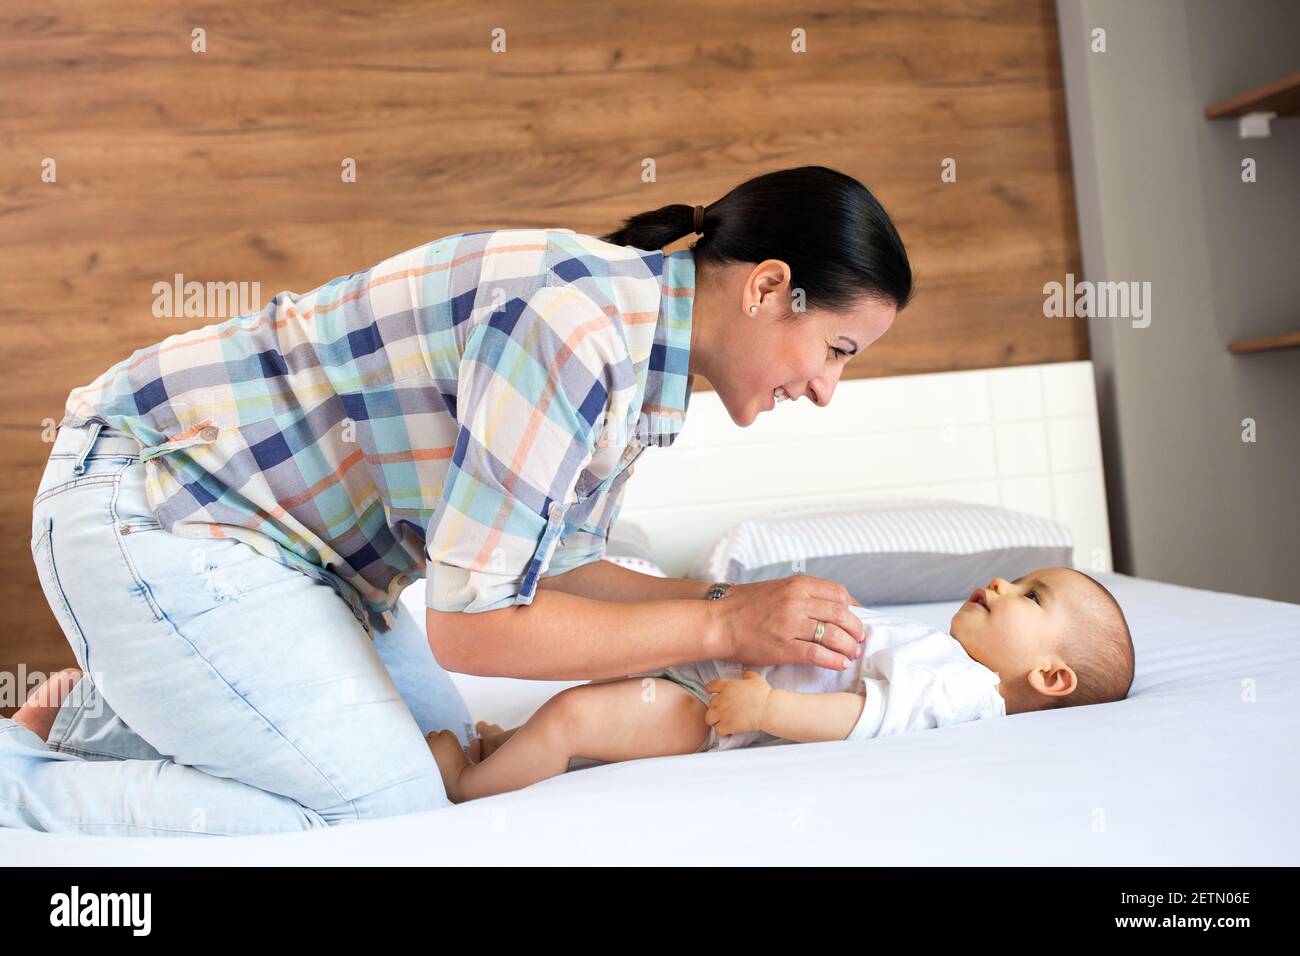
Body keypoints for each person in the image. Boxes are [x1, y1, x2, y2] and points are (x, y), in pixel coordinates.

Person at [2, 165, 913, 835]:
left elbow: (557, 566)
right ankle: (20, 793)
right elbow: (475, 627)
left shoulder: (636, 355)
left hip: (292, 559)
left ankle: (98, 713)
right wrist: (722, 629)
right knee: (385, 811)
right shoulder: (577, 330)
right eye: (837, 349)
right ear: (765, 288)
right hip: (159, 505)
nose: (828, 388)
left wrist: (728, 606)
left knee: (447, 757)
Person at [425, 568, 1136, 802]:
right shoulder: (950, 659)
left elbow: (864, 719)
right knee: (604, 691)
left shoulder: (965, 691)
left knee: (580, 717)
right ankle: (511, 749)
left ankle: (467, 786)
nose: (1000, 583)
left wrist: (769, 706)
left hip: (715, 711)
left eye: (1030, 597)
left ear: (1050, 675)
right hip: (718, 674)